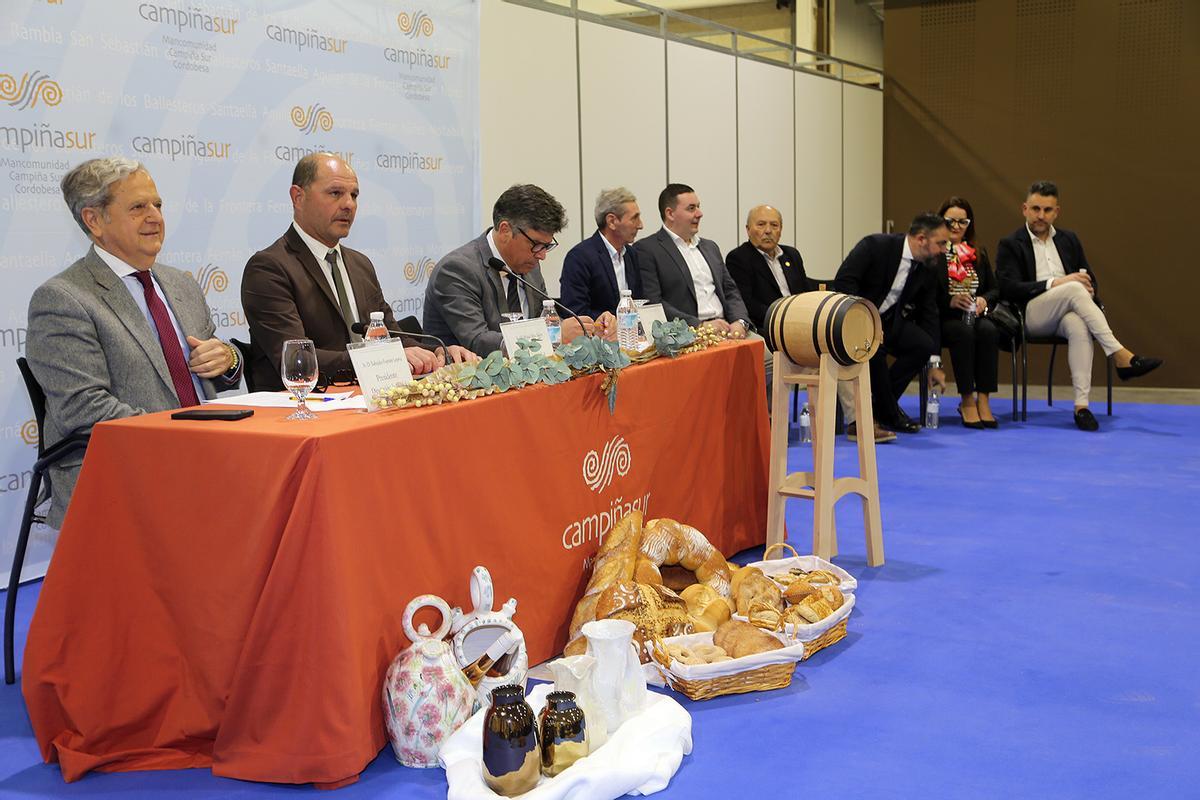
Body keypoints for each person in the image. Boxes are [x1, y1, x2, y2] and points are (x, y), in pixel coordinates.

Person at [26, 157, 241, 528]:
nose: (155, 216)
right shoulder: (64, 298)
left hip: (204, 456)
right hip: (122, 470)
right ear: (94, 220)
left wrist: (228, 358)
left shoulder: (181, 284)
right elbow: (84, 409)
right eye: (138, 207)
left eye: (157, 205)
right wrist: (185, 436)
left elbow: (219, 369)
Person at [242, 153, 470, 391]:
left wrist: (438, 352)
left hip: (366, 400)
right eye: (335, 193)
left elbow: (393, 336)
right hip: (302, 409)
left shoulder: (360, 264)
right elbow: (296, 357)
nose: (349, 204)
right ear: (298, 197)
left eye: (354, 195)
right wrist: (378, 359)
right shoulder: (269, 268)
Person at [996, 180, 1163, 431]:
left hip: (1067, 310)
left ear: (1057, 212)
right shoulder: (1010, 243)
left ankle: (1081, 407)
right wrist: (1059, 282)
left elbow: (1089, 275)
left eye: (1048, 210)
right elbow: (1008, 288)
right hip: (1029, 314)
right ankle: (1120, 355)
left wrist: (1089, 287)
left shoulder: (1068, 239)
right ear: (1024, 209)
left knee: (1078, 324)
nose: (1041, 215)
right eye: (1036, 209)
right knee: (1073, 288)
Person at [425, 184, 614, 355]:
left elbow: (545, 318)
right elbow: (477, 341)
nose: (542, 255)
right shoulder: (457, 270)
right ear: (505, 230)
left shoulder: (529, 265)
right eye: (537, 244)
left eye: (546, 246)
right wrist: (551, 336)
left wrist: (587, 328)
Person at [834, 212, 947, 435]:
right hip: (855, 320)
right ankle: (887, 413)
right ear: (922, 239)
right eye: (941, 243)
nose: (945, 249)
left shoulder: (929, 265)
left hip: (888, 323)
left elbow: (929, 311)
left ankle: (880, 409)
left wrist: (935, 362)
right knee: (875, 350)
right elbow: (844, 281)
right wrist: (863, 321)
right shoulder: (874, 246)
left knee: (922, 345)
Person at [935, 197, 1001, 428]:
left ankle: (984, 398)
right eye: (950, 221)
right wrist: (950, 301)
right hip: (945, 318)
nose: (956, 226)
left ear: (969, 224)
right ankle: (966, 399)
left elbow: (995, 289)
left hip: (974, 315)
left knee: (989, 331)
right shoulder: (934, 253)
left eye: (962, 222)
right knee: (964, 333)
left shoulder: (978, 252)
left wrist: (983, 299)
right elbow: (925, 294)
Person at [725, 204, 815, 332]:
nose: (768, 231)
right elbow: (747, 303)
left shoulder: (791, 254)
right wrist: (784, 318)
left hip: (801, 323)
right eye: (761, 224)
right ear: (748, 229)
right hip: (768, 326)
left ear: (781, 229)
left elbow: (805, 293)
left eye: (774, 225)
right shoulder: (739, 258)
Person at [559, 187, 645, 318]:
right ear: (611, 221)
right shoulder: (579, 257)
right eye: (634, 218)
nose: (640, 225)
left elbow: (639, 301)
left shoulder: (632, 255)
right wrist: (614, 321)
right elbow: (575, 312)